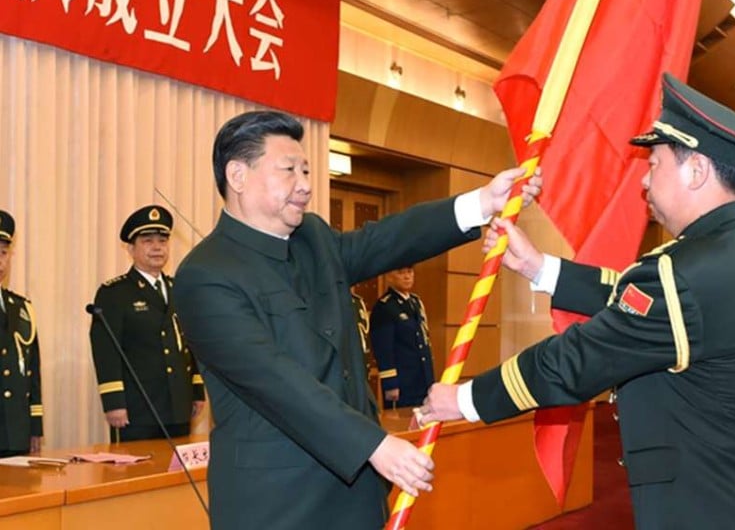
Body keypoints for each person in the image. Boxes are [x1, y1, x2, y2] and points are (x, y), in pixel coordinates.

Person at [422, 74, 735, 529]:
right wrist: (539, 267)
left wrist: (467, 399)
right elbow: (639, 303)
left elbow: (575, 361)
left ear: (696, 171)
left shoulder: (686, 272)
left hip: (714, 508)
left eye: (654, 164)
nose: (645, 183)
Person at [172, 110, 540, 530]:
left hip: (357, 491)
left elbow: (387, 239)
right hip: (277, 504)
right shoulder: (206, 275)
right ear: (237, 176)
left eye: (306, 169)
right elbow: (275, 383)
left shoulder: (312, 237)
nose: (306, 185)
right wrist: (375, 445)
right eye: (289, 170)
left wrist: (483, 203)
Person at [89, 205, 205, 442]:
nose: (157, 247)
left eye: (162, 241)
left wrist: (196, 390)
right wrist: (114, 402)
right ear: (131, 248)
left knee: (176, 476)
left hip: (177, 404)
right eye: (148, 241)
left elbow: (191, 344)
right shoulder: (115, 293)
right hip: (136, 408)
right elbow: (105, 350)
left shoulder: (179, 289)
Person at [0, 210, 43, 456]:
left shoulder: (22, 307)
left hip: (15, 429)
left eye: (4, 253)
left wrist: (34, 425)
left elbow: (32, 371)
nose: (0, 260)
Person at [370, 266, 434, 408]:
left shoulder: (416, 302)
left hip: (421, 378)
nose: (407, 277)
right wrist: (390, 383)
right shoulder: (385, 307)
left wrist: (430, 377)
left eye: (409, 272)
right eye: (401, 272)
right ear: (389, 276)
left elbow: (424, 341)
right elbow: (383, 349)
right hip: (402, 381)